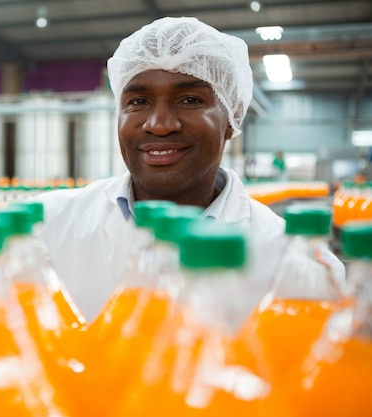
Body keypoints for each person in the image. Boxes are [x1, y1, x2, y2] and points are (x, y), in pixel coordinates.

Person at [33, 16, 343, 321]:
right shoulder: (42, 231)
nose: (159, 125)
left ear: (232, 116)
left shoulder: (299, 267)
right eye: (139, 101)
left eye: (190, 99)